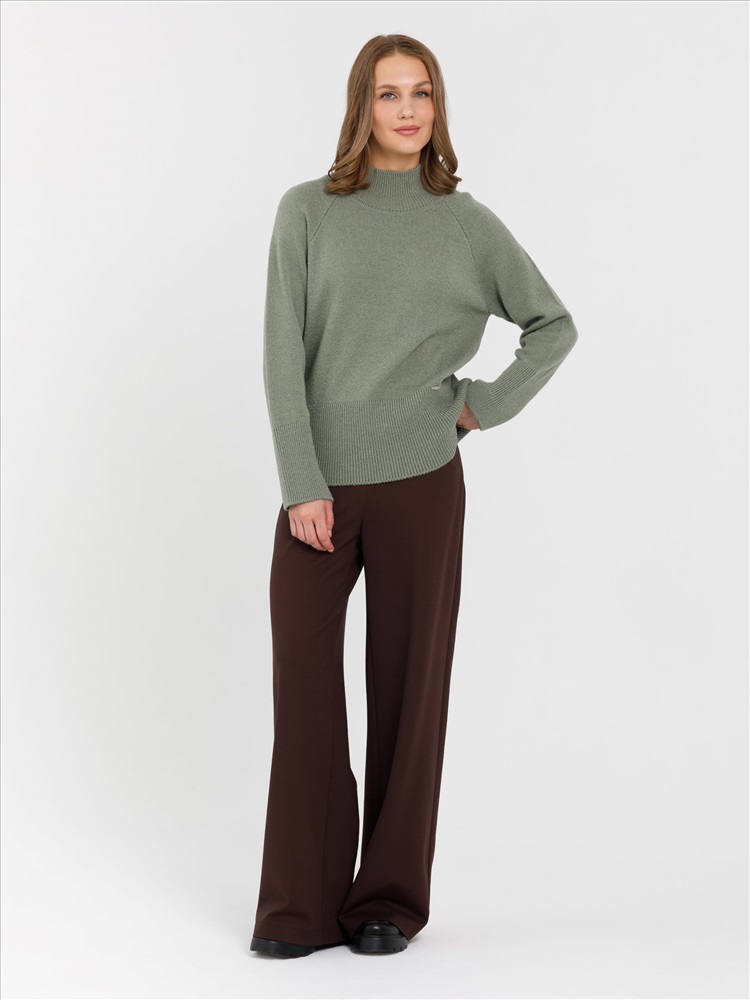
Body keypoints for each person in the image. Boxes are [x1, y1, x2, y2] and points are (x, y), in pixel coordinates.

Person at [250, 33, 578, 959]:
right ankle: (300, 908)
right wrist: (301, 482)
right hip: (320, 490)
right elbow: (280, 353)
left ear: (438, 108)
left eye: (421, 93)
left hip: (422, 483)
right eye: (389, 93)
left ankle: (387, 903)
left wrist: (480, 407)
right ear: (361, 105)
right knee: (306, 696)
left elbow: (553, 325)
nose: (406, 110)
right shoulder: (306, 210)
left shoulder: (465, 224)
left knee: (409, 691)